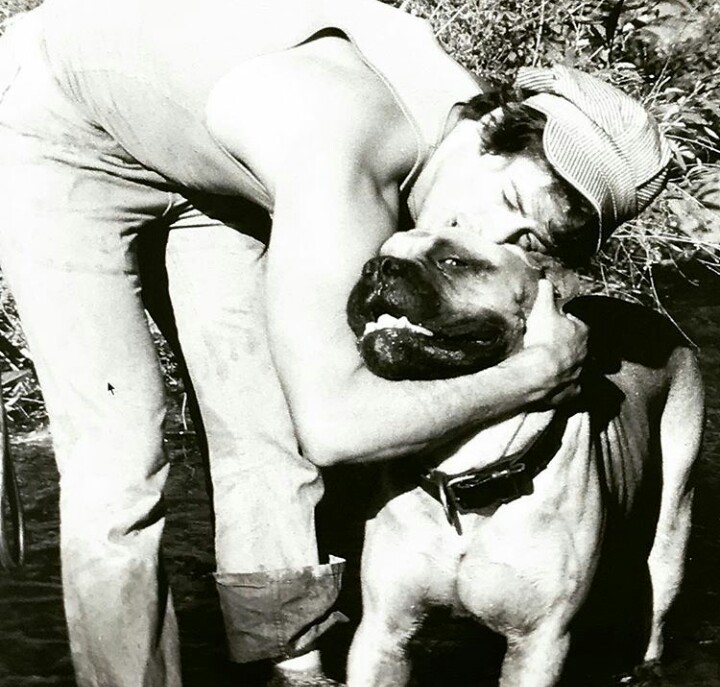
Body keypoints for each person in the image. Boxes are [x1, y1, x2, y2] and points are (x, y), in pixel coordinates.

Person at [0, 0, 669, 684]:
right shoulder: (347, 152)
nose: (495, 243)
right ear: (492, 129)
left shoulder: (447, 148)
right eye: (517, 209)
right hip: (60, 124)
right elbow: (337, 430)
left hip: (210, 156)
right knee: (121, 470)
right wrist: (531, 378)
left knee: (264, 433)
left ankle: (294, 668)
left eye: (532, 244)